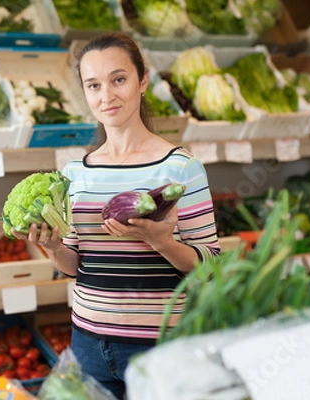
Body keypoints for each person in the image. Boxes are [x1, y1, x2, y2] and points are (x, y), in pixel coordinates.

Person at [13, 32, 221, 399]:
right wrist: (54, 246)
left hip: (160, 348)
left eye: (118, 80)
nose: (106, 96)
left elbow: (212, 269)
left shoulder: (180, 168)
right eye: (93, 85)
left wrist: (163, 243)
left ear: (142, 81)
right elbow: (76, 266)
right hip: (89, 345)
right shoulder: (76, 172)